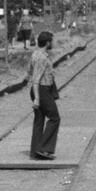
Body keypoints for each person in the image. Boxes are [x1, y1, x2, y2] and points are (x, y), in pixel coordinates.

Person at [28, 29, 60, 160]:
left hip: (39, 89)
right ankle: (44, 148)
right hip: (42, 89)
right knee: (54, 118)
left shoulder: (35, 54)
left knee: (39, 120)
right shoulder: (41, 58)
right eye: (51, 41)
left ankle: (36, 151)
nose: (53, 43)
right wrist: (37, 98)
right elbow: (35, 78)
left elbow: (28, 70)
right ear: (47, 42)